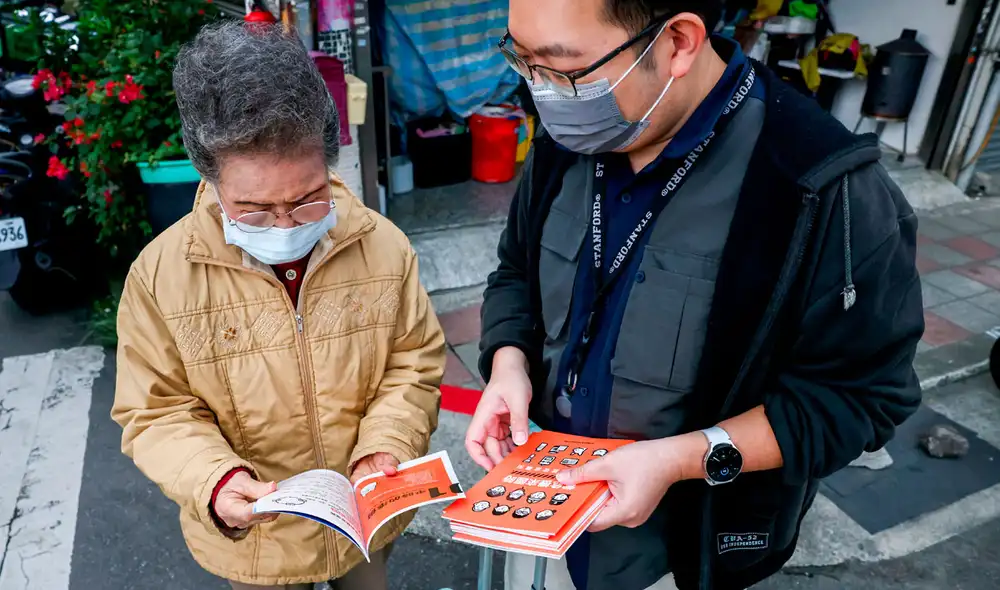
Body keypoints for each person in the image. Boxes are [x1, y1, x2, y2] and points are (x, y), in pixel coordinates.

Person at [466, 1, 924, 589]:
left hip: (684, 555)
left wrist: (680, 459)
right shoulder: (569, 136)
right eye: (522, 61)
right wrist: (509, 366)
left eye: (563, 70)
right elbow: (515, 273)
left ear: (678, 41)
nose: (541, 94)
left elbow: (863, 399)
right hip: (536, 512)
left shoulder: (818, 184)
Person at [111, 21, 445, 590]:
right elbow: (156, 411)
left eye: (308, 199)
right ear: (209, 177)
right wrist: (216, 480)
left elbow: (411, 363)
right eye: (255, 210)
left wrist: (386, 445)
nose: (286, 224)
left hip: (363, 520)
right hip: (256, 541)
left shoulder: (382, 246)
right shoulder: (161, 276)